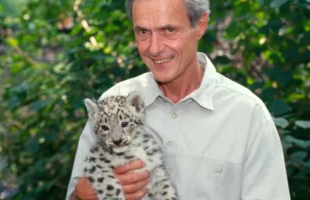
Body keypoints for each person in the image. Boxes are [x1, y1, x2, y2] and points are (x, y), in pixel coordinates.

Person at [66, 0, 291, 199]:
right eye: (143, 32)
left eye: (169, 29)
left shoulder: (247, 114)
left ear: (201, 25)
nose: (154, 48)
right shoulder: (112, 103)